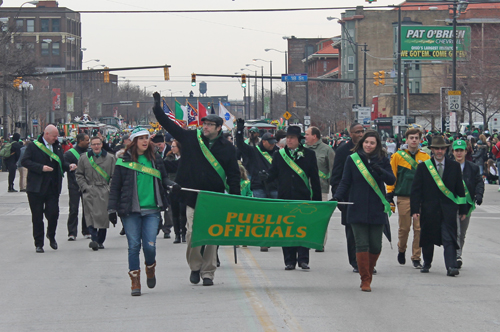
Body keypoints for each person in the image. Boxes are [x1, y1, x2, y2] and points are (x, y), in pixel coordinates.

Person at [152, 92, 240, 286]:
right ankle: (195, 266)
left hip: (214, 197)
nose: (205, 126)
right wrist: (158, 109)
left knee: (211, 236)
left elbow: (234, 175)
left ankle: (208, 272)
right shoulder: (191, 138)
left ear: (218, 128)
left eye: (209, 124)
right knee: (192, 233)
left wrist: (235, 198)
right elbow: (170, 126)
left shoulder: (227, 148)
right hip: (192, 196)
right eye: (204, 123)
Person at [108, 127, 178, 296]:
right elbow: (115, 187)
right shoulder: (123, 161)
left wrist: (172, 184)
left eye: (147, 138)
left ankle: (150, 267)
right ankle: (135, 281)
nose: (145, 141)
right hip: (130, 210)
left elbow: (163, 177)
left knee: (150, 246)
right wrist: (111, 208)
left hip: (152, 209)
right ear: (134, 141)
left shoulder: (155, 159)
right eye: (141, 138)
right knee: (133, 246)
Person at [334, 131, 395, 292]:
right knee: (361, 244)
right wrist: (336, 197)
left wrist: (380, 170)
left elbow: (391, 179)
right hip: (357, 207)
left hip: (377, 207)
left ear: (377, 145)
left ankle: (368, 270)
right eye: (366, 142)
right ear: (361, 143)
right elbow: (345, 181)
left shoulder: (382, 159)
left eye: (372, 143)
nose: (368, 145)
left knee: (375, 246)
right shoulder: (352, 159)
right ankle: (365, 279)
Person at [410, 135, 468, 277]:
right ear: (432, 150)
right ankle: (427, 262)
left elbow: (460, 189)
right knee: (428, 237)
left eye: (442, 148)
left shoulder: (454, 166)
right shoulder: (424, 167)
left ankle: (451, 266)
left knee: (449, 238)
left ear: (446, 150)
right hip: (429, 209)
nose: (440, 151)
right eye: (437, 149)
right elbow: (416, 190)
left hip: (448, 209)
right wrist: (415, 209)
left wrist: (463, 209)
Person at [267, 126, 322, 270]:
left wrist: (317, 200)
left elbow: (315, 179)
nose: (289, 140)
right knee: (287, 229)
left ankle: (303, 259)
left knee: (303, 228)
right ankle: (289, 260)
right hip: (285, 197)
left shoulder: (309, 154)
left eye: (292, 138)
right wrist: (264, 177)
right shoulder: (279, 155)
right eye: (287, 137)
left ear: (299, 140)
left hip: (303, 196)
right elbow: (273, 174)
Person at [21, 125, 77, 253]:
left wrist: (69, 166)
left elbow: (61, 163)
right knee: (37, 216)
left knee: (53, 214)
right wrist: (40, 168)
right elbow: (25, 161)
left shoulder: (57, 146)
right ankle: (39, 243)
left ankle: (51, 235)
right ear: (46, 134)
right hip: (36, 187)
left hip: (52, 187)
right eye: (54, 136)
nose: (56, 138)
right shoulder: (33, 146)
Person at [386, 128, 430, 269]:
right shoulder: (398, 156)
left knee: (419, 229)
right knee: (404, 228)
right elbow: (393, 175)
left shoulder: (425, 157)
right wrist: (390, 193)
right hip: (404, 196)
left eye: (416, 138)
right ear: (406, 139)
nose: (414, 140)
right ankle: (401, 248)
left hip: (420, 198)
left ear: (420, 140)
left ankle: (416, 257)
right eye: (411, 138)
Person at [330, 123, 366, 272]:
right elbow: (336, 177)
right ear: (350, 134)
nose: (361, 134)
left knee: (367, 233)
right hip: (349, 198)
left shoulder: (370, 149)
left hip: (366, 198)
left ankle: (367, 262)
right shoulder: (343, 151)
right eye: (357, 132)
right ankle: (355, 262)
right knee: (352, 234)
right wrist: (339, 198)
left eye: (363, 131)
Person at [76, 136, 116, 251]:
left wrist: (109, 188)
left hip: (104, 190)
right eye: (94, 144)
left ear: (102, 144)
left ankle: (100, 240)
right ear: (91, 146)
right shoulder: (84, 158)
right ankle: (94, 239)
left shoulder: (110, 158)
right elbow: (79, 174)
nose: (96, 146)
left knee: (103, 217)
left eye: (98, 144)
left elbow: (114, 175)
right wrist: (85, 187)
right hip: (90, 190)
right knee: (90, 216)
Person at [452, 139, 484, 269]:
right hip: (453, 204)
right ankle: (456, 255)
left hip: (467, 203)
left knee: (462, 232)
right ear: (453, 152)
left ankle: (458, 253)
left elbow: (479, 182)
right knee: (456, 231)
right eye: (456, 151)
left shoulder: (473, 168)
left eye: (461, 150)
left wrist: (479, 194)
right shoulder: (449, 167)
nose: (459, 153)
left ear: (466, 151)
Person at [305, 126, 335, 252]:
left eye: (307, 134)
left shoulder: (327, 150)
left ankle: (320, 242)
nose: (305, 137)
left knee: (320, 217)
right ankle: (306, 241)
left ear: (314, 136)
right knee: (306, 217)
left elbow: (333, 169)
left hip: (321, 189)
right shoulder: (302, 150)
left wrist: (331, 185)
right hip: (305, 189)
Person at [64, 133, 90, 241]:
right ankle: (72, 232)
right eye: (86, 140)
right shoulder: (70, 154)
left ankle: (87, 230)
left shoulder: (90, 153)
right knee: (73, 209)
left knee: (87, 209)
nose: (88, 142)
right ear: (80, 141)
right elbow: (63, 163)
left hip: (87, 185)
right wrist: (69, 166)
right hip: (74, 185)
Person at [164, 139, 187, 243]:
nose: (172, 148)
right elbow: (167, 169)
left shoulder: (186, 158)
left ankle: (184, 233)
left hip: (184, 188)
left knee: (183, 212)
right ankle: (177, 234)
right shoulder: (169, 158)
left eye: (174, 146)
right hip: (173, 187)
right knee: (175, 212)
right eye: (171, 146)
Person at [152, 134, 173, 239]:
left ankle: (167, 228)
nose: (158, 147)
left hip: (168, 182)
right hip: (157, 183)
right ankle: (158, 223)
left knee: (169, 208)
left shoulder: (171, 150)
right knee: (157, 206)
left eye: (159, 144)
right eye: (156, 145)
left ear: (164, 143)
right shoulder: (152, 154)